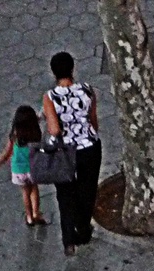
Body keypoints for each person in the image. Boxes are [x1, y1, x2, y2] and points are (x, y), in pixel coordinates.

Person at [42, 51, 102, 257]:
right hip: (89, 147)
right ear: (72, 69)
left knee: (65, 194)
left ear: (53, 73)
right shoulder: (87, 90)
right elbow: (93, 119)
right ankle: (83, 229)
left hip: (64, 152)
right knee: (88, 190)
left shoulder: (50, 97)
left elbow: (54, 130)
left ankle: (68, 239)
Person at [0, 105, 47, 227]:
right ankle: (36, 213)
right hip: (33, 169)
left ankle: (29, 217)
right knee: (34, 189)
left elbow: (6, 153)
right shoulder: (36, 134)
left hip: (19, 170)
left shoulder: (15, 135)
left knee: (25, 192)